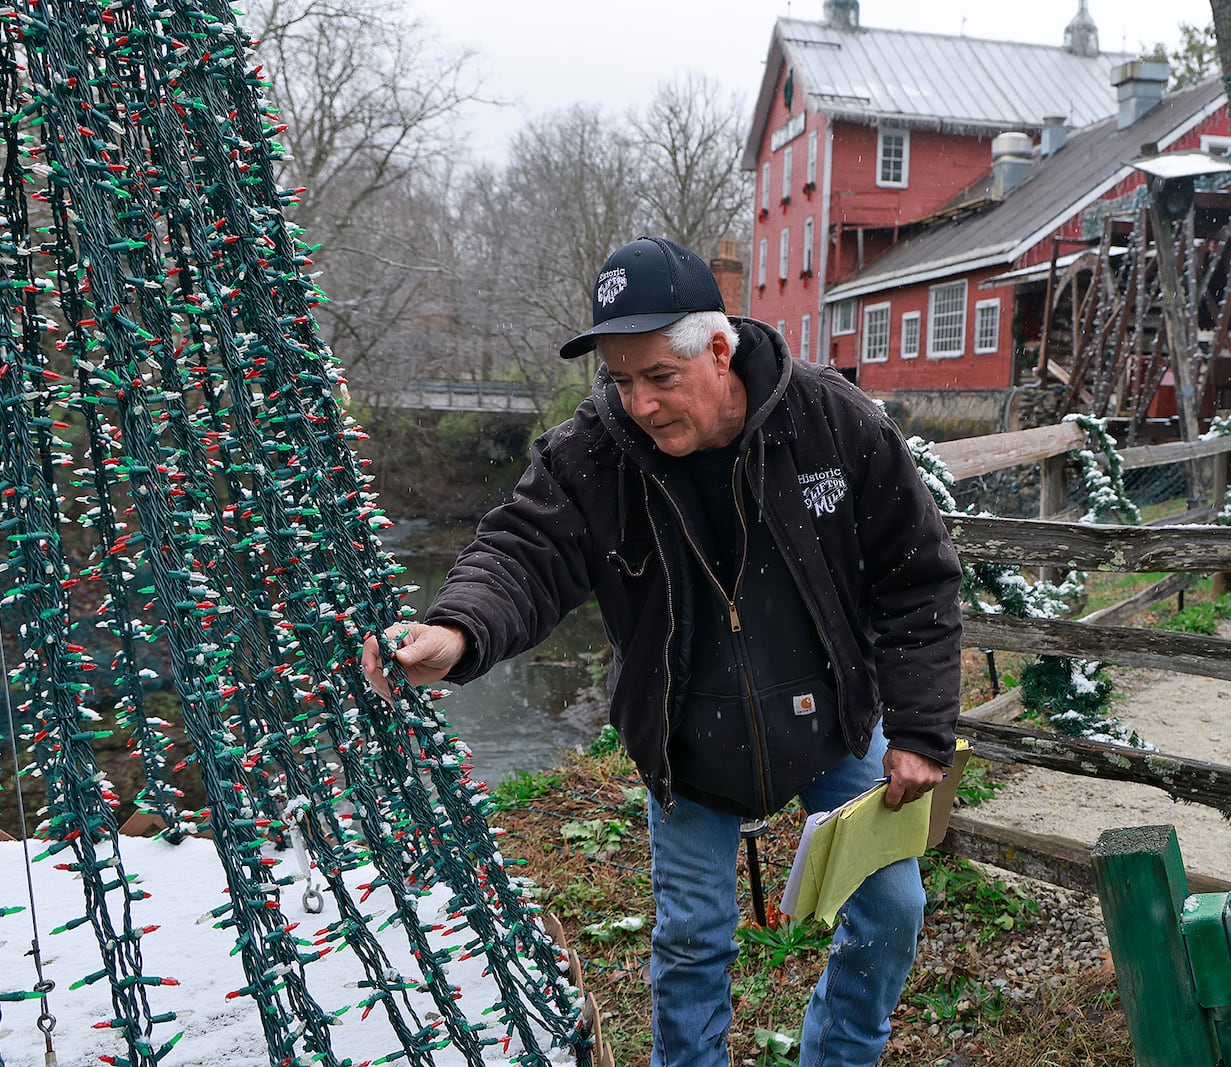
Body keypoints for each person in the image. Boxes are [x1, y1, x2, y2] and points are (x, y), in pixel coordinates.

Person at [362, 236, 963, 1067]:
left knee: (893, 905)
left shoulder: (832, 422)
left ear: (718, 349)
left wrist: (921, 730)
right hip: (685, 742)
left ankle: (844, 1054)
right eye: (619, 379)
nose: (638, 403)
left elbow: (917, 578)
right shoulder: (595, 453)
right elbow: (522, 551)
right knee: (691, 940)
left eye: (658, 377)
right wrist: (458, 630)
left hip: (830, 718)